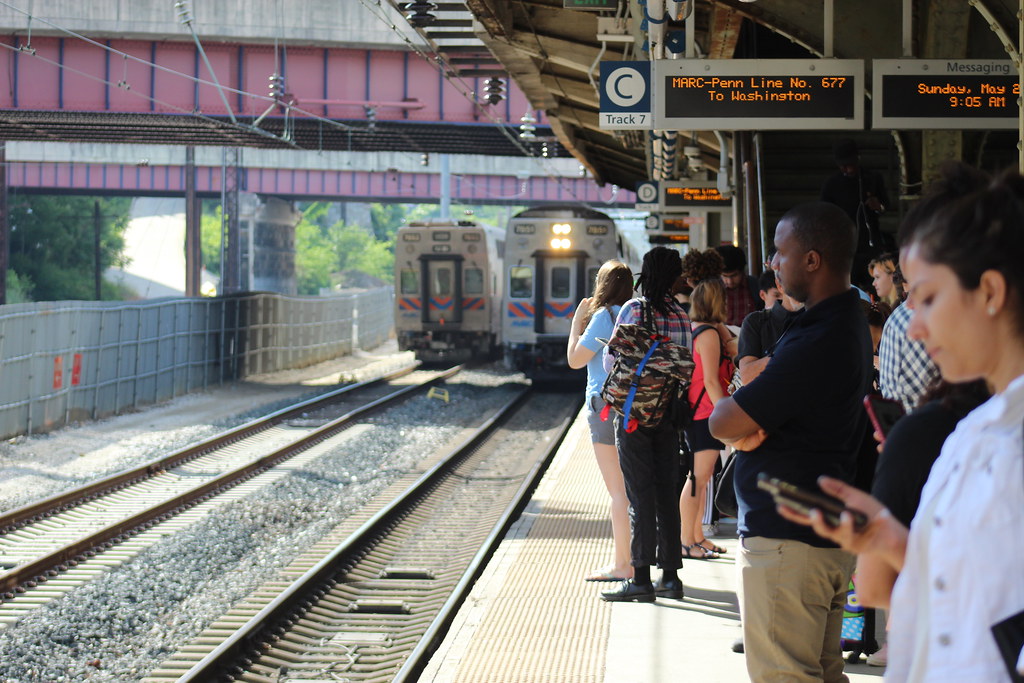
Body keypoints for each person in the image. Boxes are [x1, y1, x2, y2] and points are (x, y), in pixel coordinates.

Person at [777, 168, 1024, 682]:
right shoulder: (972, 436)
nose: (913, 324)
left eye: (929, 297)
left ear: (992, 292)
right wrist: (888, 542)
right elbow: (965, 609)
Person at [709, 202, 873, 683]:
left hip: (787, 543)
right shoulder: (844, 324)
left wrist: (746, 422)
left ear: (812, 260)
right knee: (823, 675)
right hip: (817, 537)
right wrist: (750, 422)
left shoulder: (818, 337)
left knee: (786, 676)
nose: (773, 264)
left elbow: (724, 421)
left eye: (781, 252)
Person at [601, 247, 692, 603]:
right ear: (674, 278)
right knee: (667, 491)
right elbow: (686, 369)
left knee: (640, 494)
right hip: (668, 415)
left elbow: (612, 363)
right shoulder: (681, 315)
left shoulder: (634, 309)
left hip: (633, 415)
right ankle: (670, 577)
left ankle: (640, 578)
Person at [567, 260, 636, 582]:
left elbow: (575, 361)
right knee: (634, 488)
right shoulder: (637, 313)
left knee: (617, 492)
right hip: (636, 407)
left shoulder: (603, 317)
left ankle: (623, 564)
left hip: (605, 407)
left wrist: (576, 324)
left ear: (602, 285)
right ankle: (637, 558)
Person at [679, 278, 737, 560]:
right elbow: (713, 382)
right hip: (706, 413)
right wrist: (728, 416)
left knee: (700, 478)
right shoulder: (708, 335)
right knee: (698, 478)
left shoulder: (697, 330)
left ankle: (696, 537)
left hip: (699, 412)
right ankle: (687, 541)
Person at [820, 138, 892, 290]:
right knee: (846, 287)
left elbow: (886, 205)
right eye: (844, 166)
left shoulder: (872, 178)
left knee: (875, 286)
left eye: (851, 164)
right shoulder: (832, 184)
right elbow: (823, 215)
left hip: (870, 244)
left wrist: (878, 206)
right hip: (844, 248)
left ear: (858, 159)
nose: (849, 169)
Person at [735, 271, 804, 387]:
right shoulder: (756, 321)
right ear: (780, 285)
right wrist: (789, 351)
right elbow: (747, 375)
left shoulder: (823, 319)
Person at [716, 244, 762, 327]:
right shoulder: (714, 289)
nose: (729, 281)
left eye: (734, 275)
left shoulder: (755, 286)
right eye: (725, 276)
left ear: (742, 271)